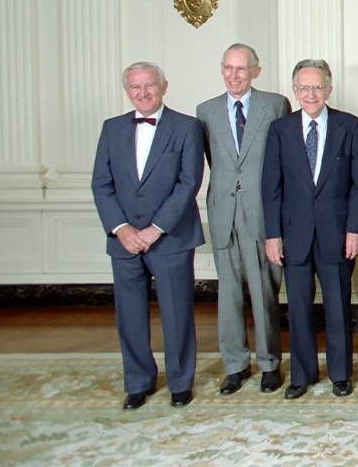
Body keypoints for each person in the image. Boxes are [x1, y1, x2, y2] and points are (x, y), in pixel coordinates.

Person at [91, 62, 204, 410]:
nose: (143, 93)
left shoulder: (187, 127)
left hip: (170, 236)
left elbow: (189, 183)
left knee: (177, 312)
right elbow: (101, 184)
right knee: (130, 315)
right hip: (124, 239)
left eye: (149, 86)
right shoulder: (112, 129)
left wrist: (156, 229)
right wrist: (122, 229)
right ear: (127, 91)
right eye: (135, 87)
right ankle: (138, 382)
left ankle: (181, 382)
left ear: (164, 86)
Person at [261, 59, 358, 400]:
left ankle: (340, 374)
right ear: (294, 91)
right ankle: (301, 376)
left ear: (329, 90)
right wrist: (273, 235)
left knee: (337, 307)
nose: (311, 94)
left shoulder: (349, 126)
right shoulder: (280, 130)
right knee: (299, 308)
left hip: (337, 234)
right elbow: (271, 187)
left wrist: (354, 229)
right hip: (294, 236)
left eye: (317, 87)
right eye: (304, 88)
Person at [195, 43, 290, 396]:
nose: (234, 76)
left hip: (263, 213)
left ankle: (269, 364)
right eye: (228, 68)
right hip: (224, 213)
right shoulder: (205, 111)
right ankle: (235, 365)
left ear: (256, 71)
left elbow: (284, 156)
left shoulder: (276, 105)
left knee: (265, 291)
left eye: (241, 69)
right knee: (228, 294)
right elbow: (215, 161)